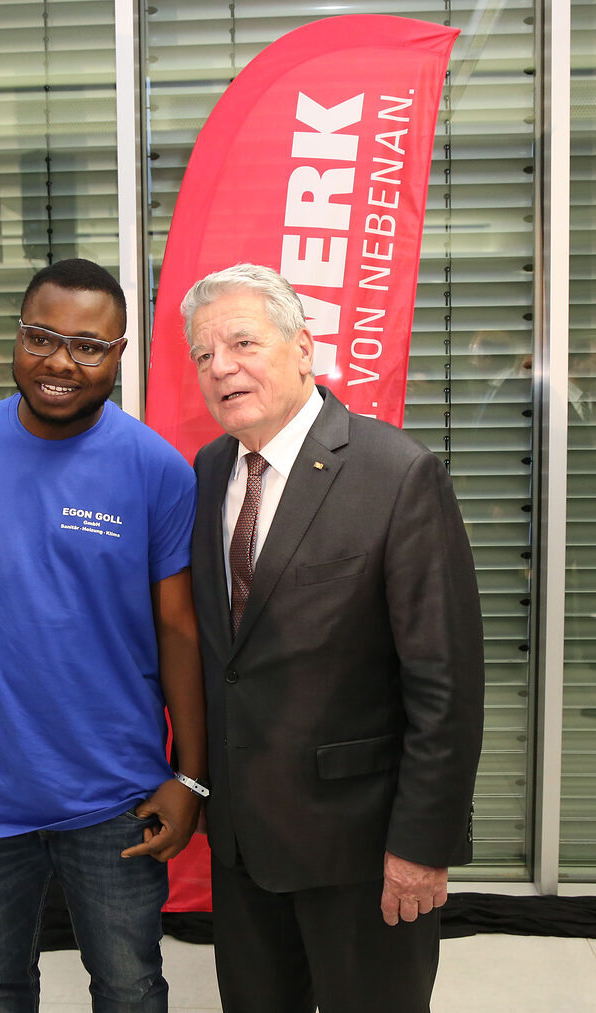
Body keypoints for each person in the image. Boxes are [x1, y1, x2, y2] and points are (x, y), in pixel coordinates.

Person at [0, 258, 205, 1012]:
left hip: (117, 795)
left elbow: (179, 629)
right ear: (16, 337)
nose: (60, 360)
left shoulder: (158, 470)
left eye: (88, 345)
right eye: (41, 337)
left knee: (129, 986)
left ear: (120, 353)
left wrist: (190, 776)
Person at [179, 263, 484, 1013]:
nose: (221, 367)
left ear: (303, 348)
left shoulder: (397, 474)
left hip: (363, 848)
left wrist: (423, 844)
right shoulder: (210, 468)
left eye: (242, 342)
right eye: (203, 354)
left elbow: (445, 682)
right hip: (245, 845)